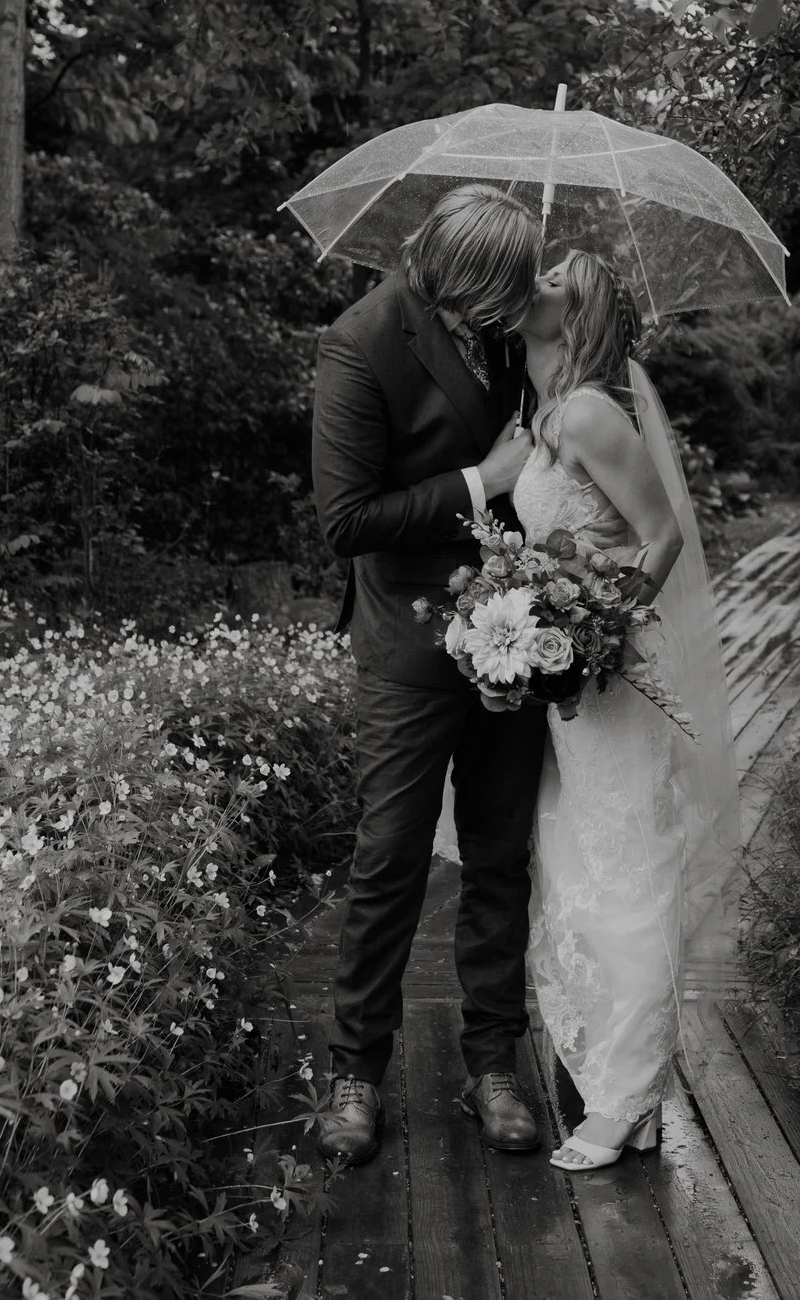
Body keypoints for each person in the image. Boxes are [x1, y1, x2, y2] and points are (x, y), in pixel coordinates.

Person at [308, 183, 552, 1164]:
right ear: (454, 273)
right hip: (407, 645)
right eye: (496, 293)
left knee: (500, 857)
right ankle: (356, 1071)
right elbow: (346, 520)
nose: (508, 314)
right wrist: (475, 485)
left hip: (517, 634)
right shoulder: (359, 343)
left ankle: (492, 1059)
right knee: (389, 861)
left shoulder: (511, 335)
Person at [510, 248, 737, 1171]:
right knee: (578, 872)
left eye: (557, 277)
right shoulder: (545, 414)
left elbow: (663, 535)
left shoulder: (593, 411)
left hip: (614, 679)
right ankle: (625, 1087)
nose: (537, 279)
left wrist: (600, 631)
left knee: (630, 875)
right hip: (569, 692)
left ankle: (624, 1097)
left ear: (581, 315)